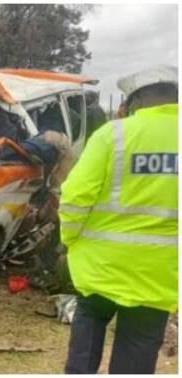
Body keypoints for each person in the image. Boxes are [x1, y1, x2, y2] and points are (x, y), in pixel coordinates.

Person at [60, 65, 178, 374]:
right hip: (157, 275)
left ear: (135, 102)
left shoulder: (113, 134)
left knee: (84, 349)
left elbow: (74, 195)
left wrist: (69, 239)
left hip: (100, 268)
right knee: (137, 357)